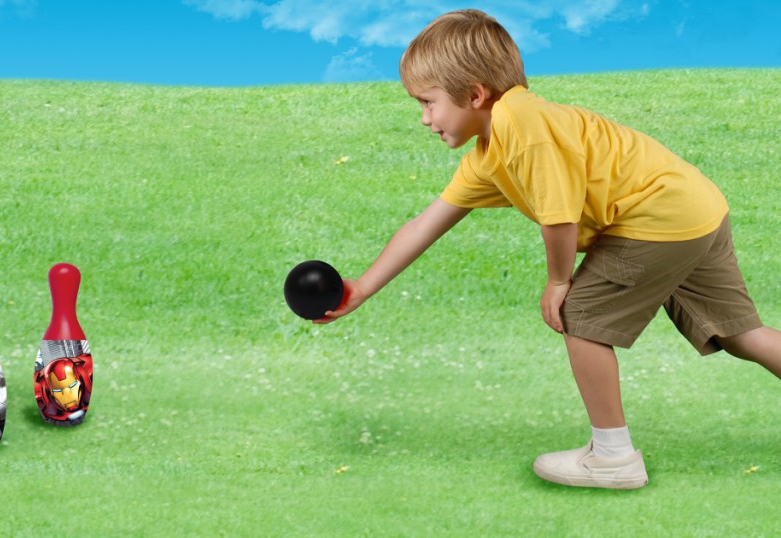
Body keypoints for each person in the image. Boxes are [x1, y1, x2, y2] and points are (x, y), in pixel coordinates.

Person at [316, 9, 781, 489]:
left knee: (579, 316)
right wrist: (361, 288)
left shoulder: (524, 125)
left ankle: (614, 458)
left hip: (656, 218)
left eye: (428, 102)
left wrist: (559, 283)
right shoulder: (489, 153)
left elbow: (560, 216)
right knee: (739, 334)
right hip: (693, 206)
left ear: (474, 94)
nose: (424, 118)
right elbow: (423, 225)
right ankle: (611, 451)